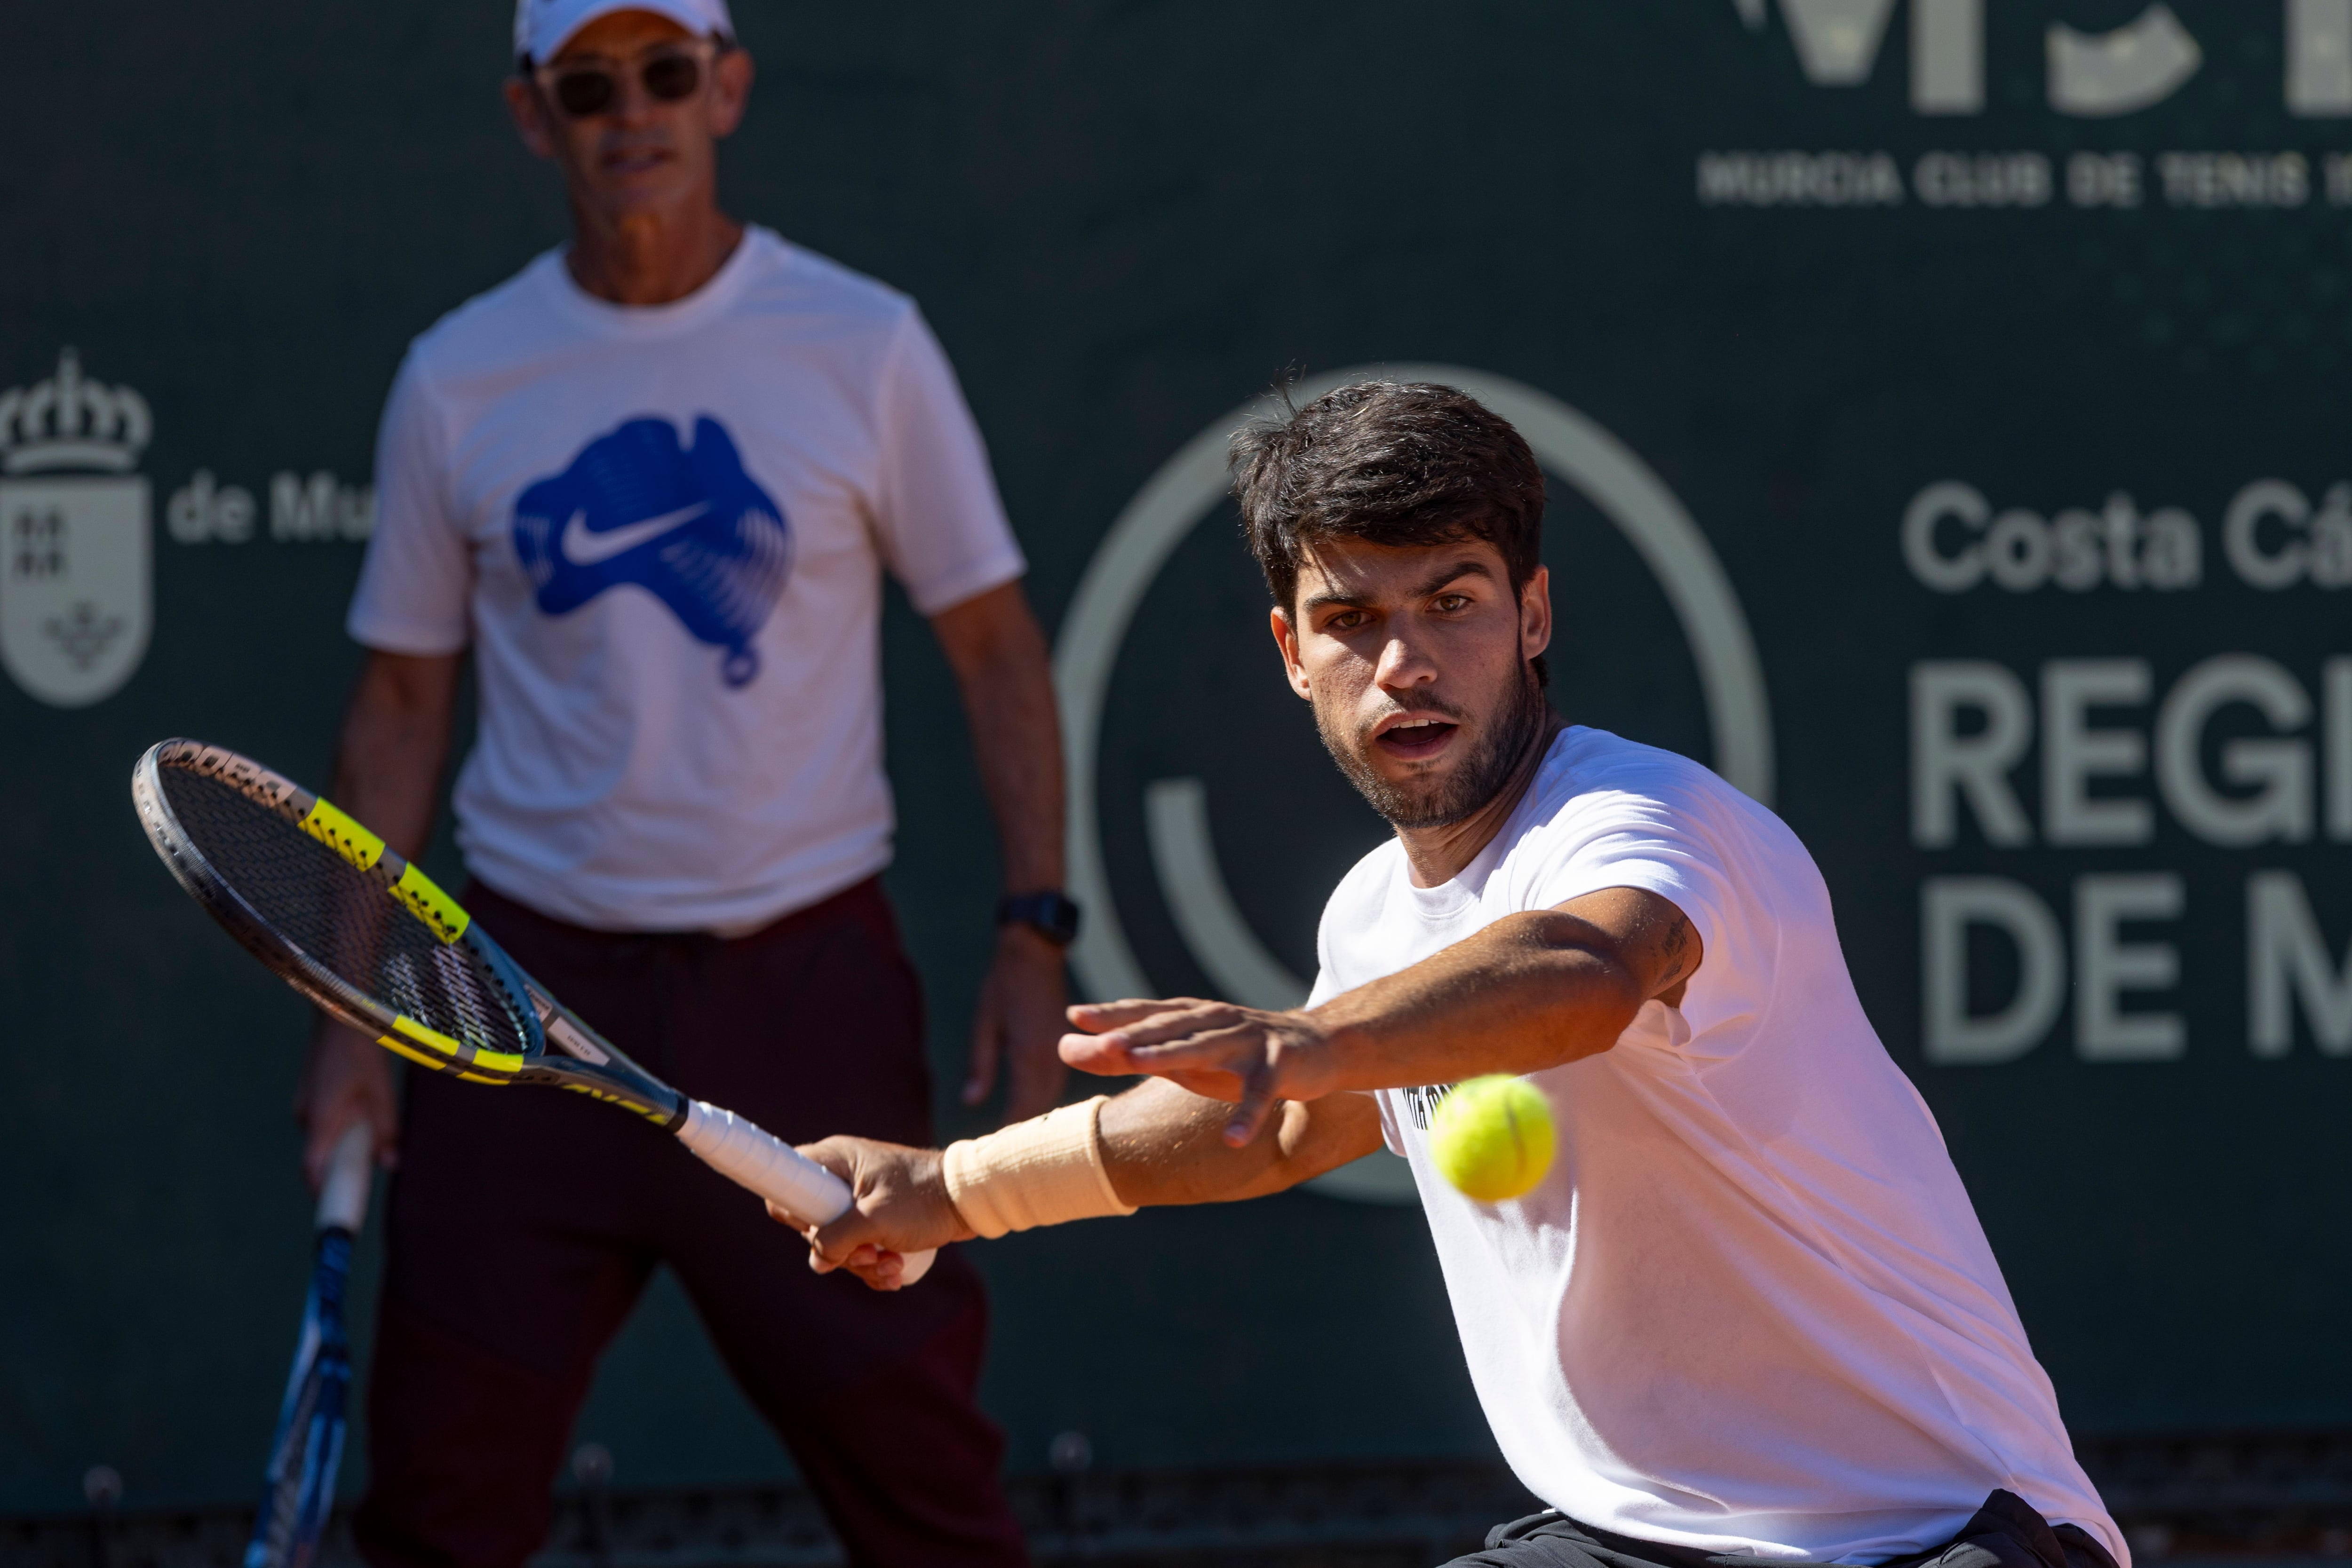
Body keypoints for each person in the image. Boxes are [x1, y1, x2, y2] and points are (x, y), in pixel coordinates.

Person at [785, 382, 2129, 1568]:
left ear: (1532, 613)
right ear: (1290, 653)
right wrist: (956, 1190)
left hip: (1947, 1532)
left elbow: (1585, 968)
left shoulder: (1652, 824)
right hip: (1632, 1538)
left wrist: (1305, 1042)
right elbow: (1291, 1127)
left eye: (1454, 603)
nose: (1407, 665)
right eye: (1351, 620)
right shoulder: (1372, 917)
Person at [294, 2, 1070, 1562]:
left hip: (807, 1000)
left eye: (664, 73)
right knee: (442, 1509)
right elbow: (396, 703)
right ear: (536, 114)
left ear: (726, 88)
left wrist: (1033, 929)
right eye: (589, 85)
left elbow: (994, 650)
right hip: (514, 1003)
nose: (629, 112)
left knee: (933, 1502)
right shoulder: (460, 377)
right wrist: (353, 1014)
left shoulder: (864, 342)